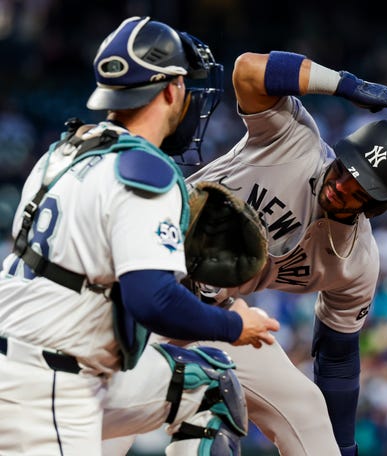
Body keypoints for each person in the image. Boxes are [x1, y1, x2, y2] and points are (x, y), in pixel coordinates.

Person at [101, 47, 387, 456]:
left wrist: (343, 444)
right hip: (141, 288)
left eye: (358, 189)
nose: (341, 184)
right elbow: (248, 70)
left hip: (213, 316)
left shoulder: (357, 262)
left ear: (378, 204)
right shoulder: (295, 141)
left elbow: (338, 359)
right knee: (100, 441)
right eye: (345, 168)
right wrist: (345, 83)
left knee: (306, 411)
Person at [0, 17, 279, 456]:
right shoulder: (149, 173)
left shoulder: (62, 152)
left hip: (28, 365)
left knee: (207, 386)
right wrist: (235, 326)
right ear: (170, 89)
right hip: (45, 390)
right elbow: (152, 300)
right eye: (185, 85)